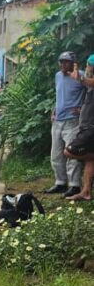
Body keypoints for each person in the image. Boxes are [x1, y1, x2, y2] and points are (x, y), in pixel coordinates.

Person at [45, 51, 87, 198]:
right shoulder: (58, 76)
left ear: (74, 63)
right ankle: (60, 182)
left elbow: (91, 92)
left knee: (72, 153)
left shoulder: (80, 76)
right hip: (57, 120)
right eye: (61, 61)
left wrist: (82, 108)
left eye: (67, 62)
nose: (63, 64)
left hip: (73, 121)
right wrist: (54, 109)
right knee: (56, 154)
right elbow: (59, 95)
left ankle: (74, 185)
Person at [65, 54, 94, 201]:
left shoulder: (89, 81)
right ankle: (86, 191)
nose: (86, 68)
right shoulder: (89, 85)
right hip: (86, 126)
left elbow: (90, 82)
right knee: (90, 160)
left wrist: (80, 78)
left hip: (91, 129)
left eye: (88, 65)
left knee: (69, 151)